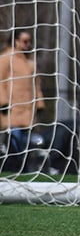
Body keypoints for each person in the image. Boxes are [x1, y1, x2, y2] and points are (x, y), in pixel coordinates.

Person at [0, 29, 45, 160]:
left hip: (28, 108)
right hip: (11, 108)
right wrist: (3, 102)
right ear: (16, 41)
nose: (28, 44)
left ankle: (23, 164)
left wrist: (39, 103)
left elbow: (36, 84)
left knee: (26, 140)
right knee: (14, 138)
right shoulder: (6, 58)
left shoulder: (30, 62)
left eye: (30, 41)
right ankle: (13, 163)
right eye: (25, 41)